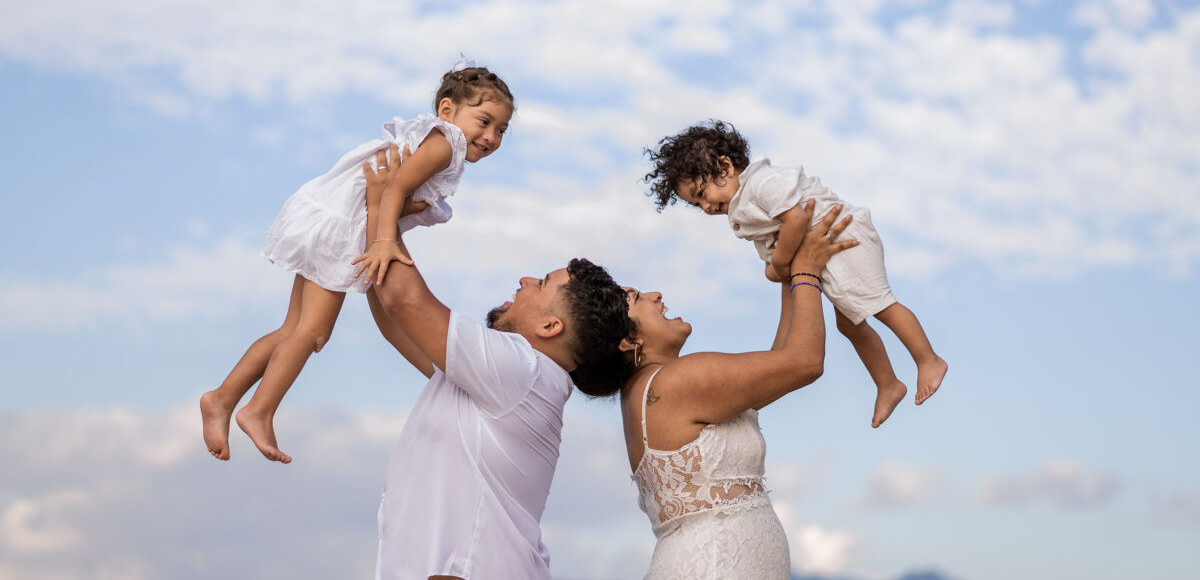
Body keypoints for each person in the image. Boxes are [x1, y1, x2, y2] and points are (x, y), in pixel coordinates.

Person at [200, 63, 514, 463]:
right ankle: (258, 410)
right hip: (345, 224)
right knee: (313, 332)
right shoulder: (446, 143)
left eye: (501, 130)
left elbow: (400, 196)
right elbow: (394, 188)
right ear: (448, 110)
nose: (490, 137)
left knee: (293, 329)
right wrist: (383, 241)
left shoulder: (439, 143)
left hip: (334, 216)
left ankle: (222, 399)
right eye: (484, 121)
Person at [356, 144, 633, 580]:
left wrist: (382, 207)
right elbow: (396, 321)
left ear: (549, 327)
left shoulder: (523, 369)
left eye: (541, 283)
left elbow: (403, 299)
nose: (524, 280)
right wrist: (380, 224)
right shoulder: (510, 379)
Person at [644, 120, 946, 428]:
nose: (706, 206)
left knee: (880, 305)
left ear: (725, 167)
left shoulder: (761, 183)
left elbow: (797, 220)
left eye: (702, 192)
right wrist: (777, 266)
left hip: (844, 235)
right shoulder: (740, 208)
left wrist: (781, 261)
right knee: (850, 325)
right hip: (825, 250)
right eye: (697, 204)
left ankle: (927, 359)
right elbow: (775, 258)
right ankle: (888, 383)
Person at [617, 200, 854, 579]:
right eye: (637, 299)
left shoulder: (651, 387)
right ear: (629, 340)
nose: (656, 294)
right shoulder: (674, 381)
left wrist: (789, 272)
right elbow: (804, 362)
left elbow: (779, 365)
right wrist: (807, 271)